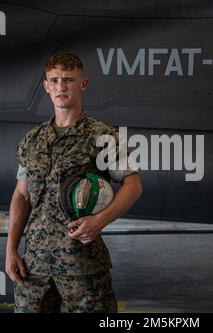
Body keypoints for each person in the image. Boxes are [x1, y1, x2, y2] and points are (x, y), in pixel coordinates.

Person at [5, 52, 143, 313]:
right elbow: (22, 195)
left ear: (83, 84)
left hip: (83, 268)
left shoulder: (103, 135)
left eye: (68, 79)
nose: (61, 87)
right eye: (54, 80)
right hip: (34, 269)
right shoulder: (32, 140)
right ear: (46, 86)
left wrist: (98, 221)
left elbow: (134, 185)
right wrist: (11, 250)